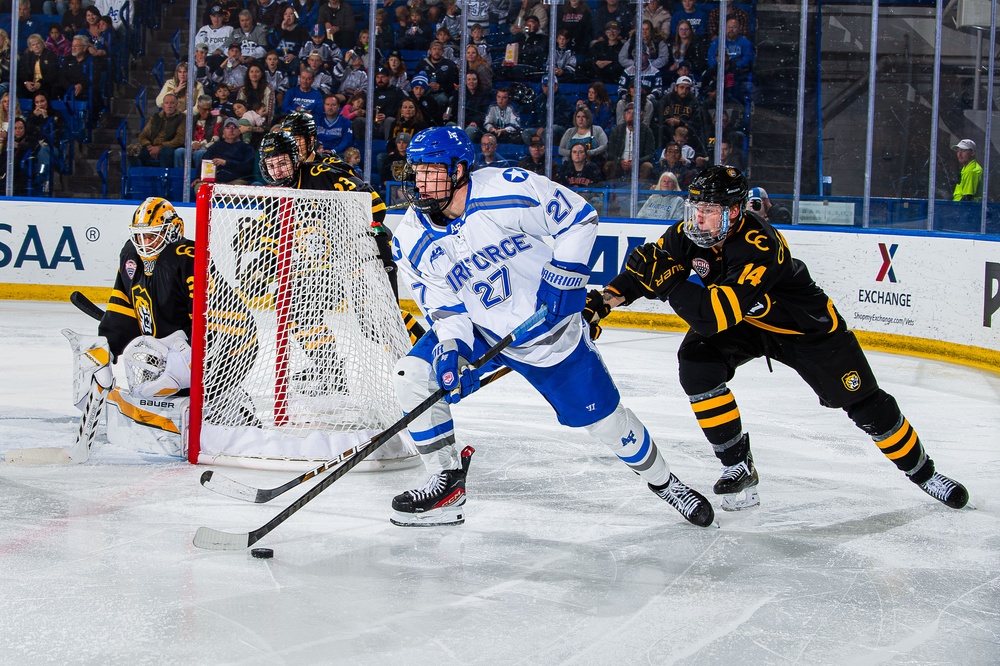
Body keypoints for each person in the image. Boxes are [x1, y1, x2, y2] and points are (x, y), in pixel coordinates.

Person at [590, 165, 970, 513]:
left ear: (734, 212)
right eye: (694, 208)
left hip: (805, 330)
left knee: (865, 403)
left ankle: (925, 474)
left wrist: (671, 283)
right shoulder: (689, 235)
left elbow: (711, 317)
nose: (697, 218)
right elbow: (645, 272)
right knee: (697, 365)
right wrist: (602, 304)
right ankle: (738, 464)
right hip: (748, 323)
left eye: (708, 210)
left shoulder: (759, 245)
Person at [387, 126, 715, 528]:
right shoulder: (410, 238)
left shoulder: (506, 190)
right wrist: (452, 349)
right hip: (482, 331)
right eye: (416, 171)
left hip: (550, 334)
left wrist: (566, 274)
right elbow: (444, 307)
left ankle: (665, 483)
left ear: (458, 170)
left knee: (606, 422)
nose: (420, 182)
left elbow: (579, 216)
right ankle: (446, 481)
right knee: (413, 375)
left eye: (431, 171)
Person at [85, 197, 259, 456]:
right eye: (140, 237)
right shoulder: (130, 256)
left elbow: (209, 315)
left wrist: (198, 359)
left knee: (184, 389)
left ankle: (231, 404)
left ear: (173, 230)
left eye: (152, 236)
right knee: (148, 382)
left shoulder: (186, 257)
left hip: (228, 344)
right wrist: (108, 345)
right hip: (170, 349)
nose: (144, 244)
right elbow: (124, 304)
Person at [602, 101, 654, 182]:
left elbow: (649, 155)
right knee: (609, 165)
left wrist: (635, 162)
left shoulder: (647, 131)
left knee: (648, 166)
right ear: (624, 115)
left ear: (640, 116)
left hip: (639, 163)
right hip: (620, 163)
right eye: (628, 112)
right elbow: (610, 153)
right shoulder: (616, 130)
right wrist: (620, 161)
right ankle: (613, 190)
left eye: (635, 113)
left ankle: (640, 190)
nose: (631, 115)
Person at [130, 93, 186, 167]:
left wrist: (160, 147)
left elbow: (180, 139)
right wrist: (148, 146)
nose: (169, 106)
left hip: (169, 147)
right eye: (167, 103)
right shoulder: (155, 117)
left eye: (172, 103)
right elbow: (143, 135)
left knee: (166, 151)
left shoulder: (182, 118)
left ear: (176, 105)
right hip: (151, 147)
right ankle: (137, 176)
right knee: (132, 150)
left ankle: (165, 177)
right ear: (163, 105)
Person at [200, 117, 255, 185]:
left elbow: (248, 167)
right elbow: (204, 162)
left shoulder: (247, 147)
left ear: (239, 131)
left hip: (237, 181)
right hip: (215, 181)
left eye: (234, 127)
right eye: (228, 127)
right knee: (199, 186)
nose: (231, 130)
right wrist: (197, 177)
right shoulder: (215, 146)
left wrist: (226, 163)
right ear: (223, 131)